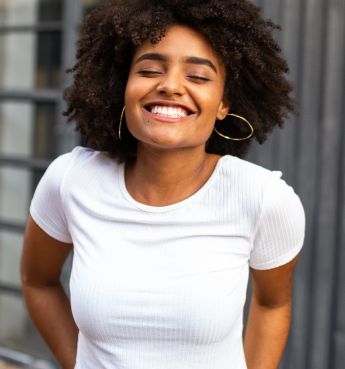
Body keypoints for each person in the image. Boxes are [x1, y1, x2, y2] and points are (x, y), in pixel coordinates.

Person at [20, 1, 306, 368]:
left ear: (224, 103)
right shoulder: (71, 181)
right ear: (121, 87)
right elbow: (38, 281)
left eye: (199, 77)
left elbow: (272, 303)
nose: (170, 86)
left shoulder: (263, 198)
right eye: (150, 70)